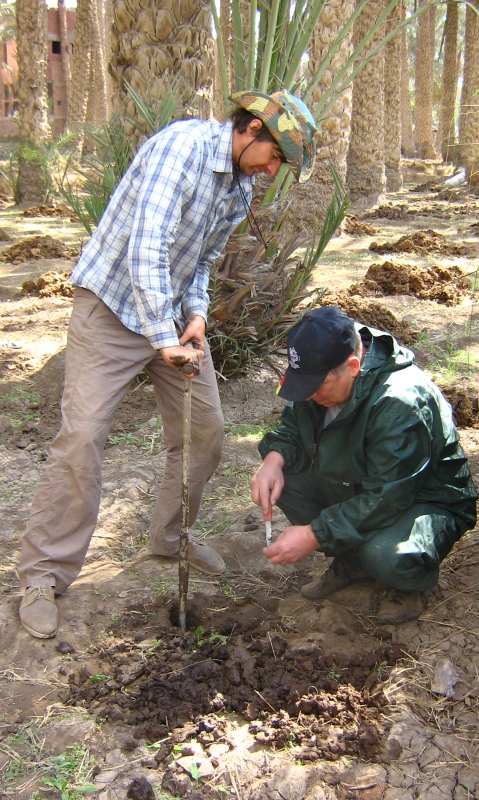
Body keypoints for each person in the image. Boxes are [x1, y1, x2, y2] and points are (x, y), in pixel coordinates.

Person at [18, 90, 317, 639]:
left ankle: (169, 537)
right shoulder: (180, 150)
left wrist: (196, 315)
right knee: (82, 435)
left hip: (171, 320)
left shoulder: (239, 182)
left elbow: (201, 260)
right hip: (111, 309)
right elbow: (146, 247)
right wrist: (163, 336)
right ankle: (44, 576)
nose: (273, 170)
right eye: (275, 156)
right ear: (250, 128)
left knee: (206, 433)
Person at [251, 306, 478, 624]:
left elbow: (386, 497)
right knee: (285, 475)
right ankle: (352, 563)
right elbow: (293, 424)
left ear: (353, 366)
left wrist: (314, 534)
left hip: (426, 499)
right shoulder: (323, 372)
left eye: (317, 387)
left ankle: (409, 581)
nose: (310, 395)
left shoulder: (398, 405)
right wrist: (273, 460)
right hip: (364, 481)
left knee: (384, 553)